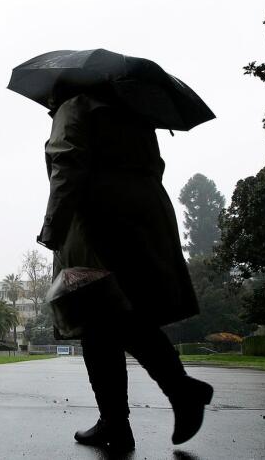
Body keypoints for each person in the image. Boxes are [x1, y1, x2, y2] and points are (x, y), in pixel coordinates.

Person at [38, 87, 213, 452]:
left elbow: (67, 164)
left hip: (100, 225)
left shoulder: (75, 106)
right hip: (140, 221)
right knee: (118, 318)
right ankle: (131, 413)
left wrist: (53, 229)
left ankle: (161, 399)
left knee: (102, 319)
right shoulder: (133, 112)